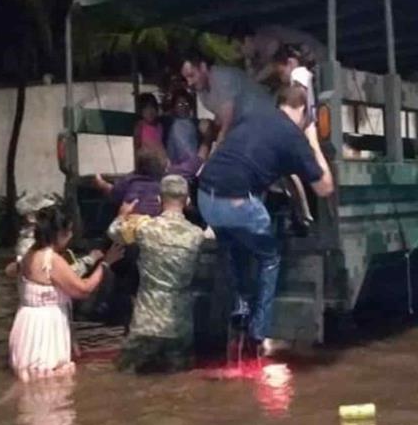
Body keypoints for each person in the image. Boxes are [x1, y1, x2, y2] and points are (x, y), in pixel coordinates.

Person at [197, 85, 334, 357]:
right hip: (237, 201)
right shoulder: (293, 136)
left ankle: (240, 306)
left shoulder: (254, 116)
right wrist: (313, 141)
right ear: (304, 110)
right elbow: (324, 188)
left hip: (205, 197)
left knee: (236, 247)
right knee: (269, 256)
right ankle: (259, 333)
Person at [9, 205, 124, 381]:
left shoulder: (29, 255)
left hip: (27, 325)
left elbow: (10, 270)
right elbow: (83, 289)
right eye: (68, 231)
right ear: (58, 233)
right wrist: (105, 264)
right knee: (50, 385)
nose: (71, 236)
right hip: (45, 329)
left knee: (33, 381)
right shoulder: (52, 260)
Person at [108, 175, 206, 373]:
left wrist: (122, 214)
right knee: (178, 389)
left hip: (145, 325)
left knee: (128, 382)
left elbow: (113, 232)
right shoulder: (197, 235)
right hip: (180, 327)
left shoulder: (144, 227)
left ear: (159, 200)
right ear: (187, 201)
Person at [180, 52, 277, 154]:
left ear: (203, 67)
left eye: (191, 75)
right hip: (246, 127)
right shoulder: (202, 91)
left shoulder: (223, 77)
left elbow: (227, 123)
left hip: (264, 121)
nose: (189, 82)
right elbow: (220, 119)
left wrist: (216, 152)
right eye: (186, 78)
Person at [93, 147, 169, 217]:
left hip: (131, 218)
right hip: (155, 220)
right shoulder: (162, 183)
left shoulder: (130, 179)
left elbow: (114, 192)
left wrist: (101, 183)